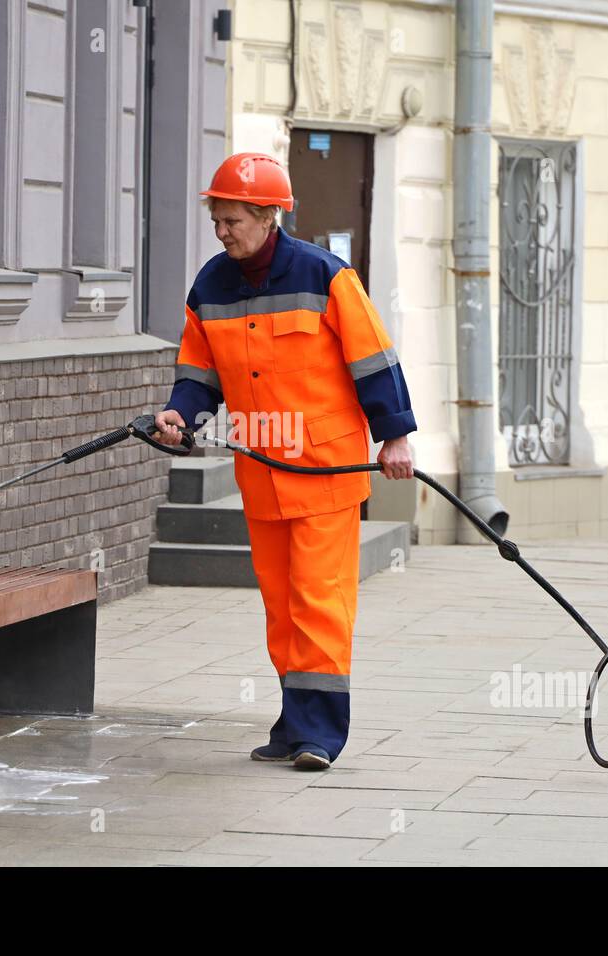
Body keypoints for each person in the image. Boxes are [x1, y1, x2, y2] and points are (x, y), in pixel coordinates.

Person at [154, 152, 417, 770]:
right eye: (217, 220)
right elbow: (199, 374)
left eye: (233, 220)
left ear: (269, 216)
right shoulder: (210, 286)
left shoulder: (327, 276)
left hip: (325, 471)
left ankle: (321, 734)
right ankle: (293, 720)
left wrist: (395, 436)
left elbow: (374, 359)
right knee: (280, 608)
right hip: (262, 473)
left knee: (319, 599)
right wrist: (178, 414)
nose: (222, 232)